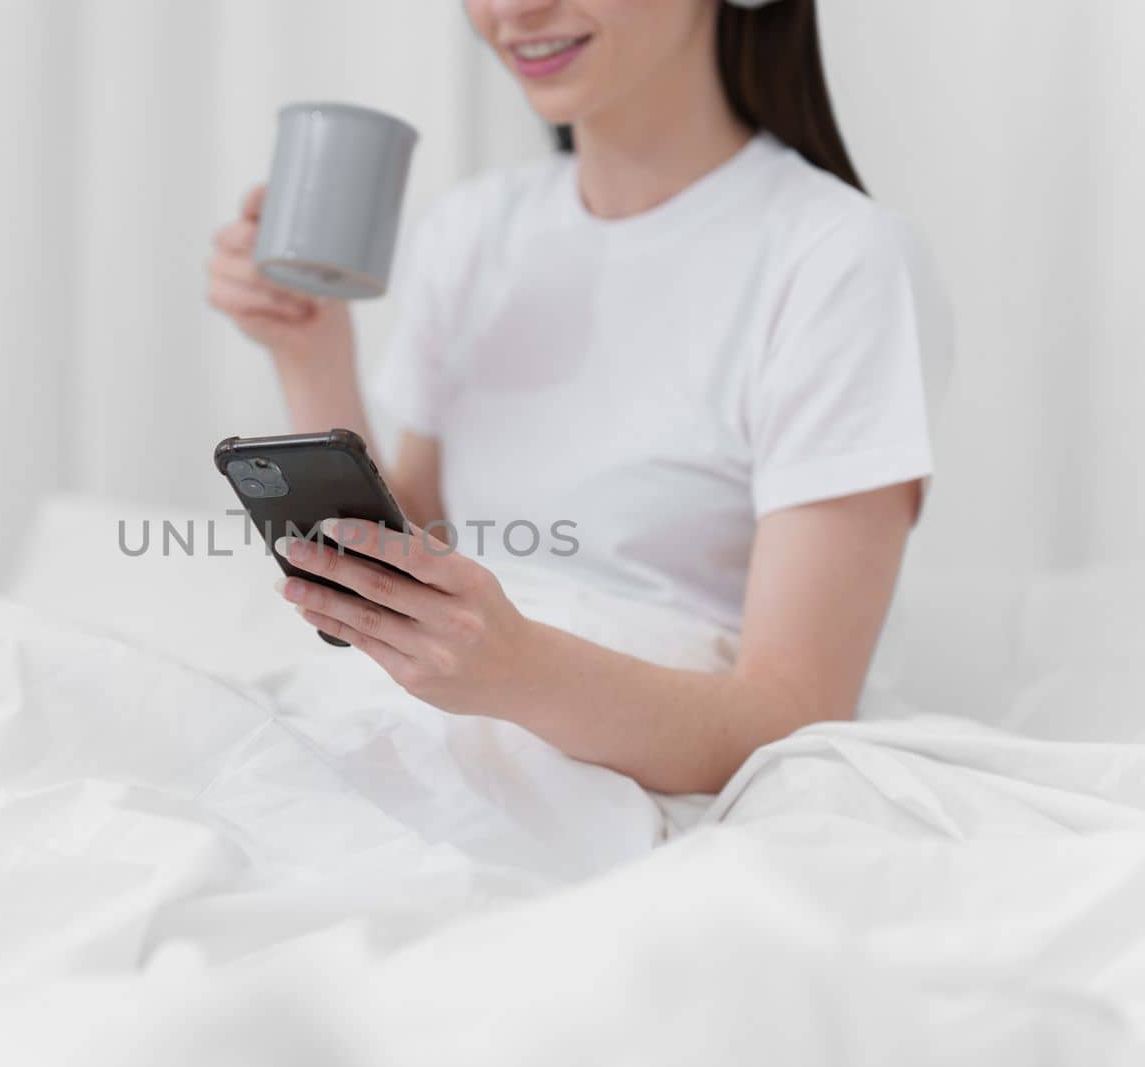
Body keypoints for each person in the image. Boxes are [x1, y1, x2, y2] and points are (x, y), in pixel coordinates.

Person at [205, 0, 939, 795]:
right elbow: (419, 549)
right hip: (414, 731)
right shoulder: (475, 229)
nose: (512, 9)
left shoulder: (834, 258)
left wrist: (518, 670)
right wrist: (310, 352)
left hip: (623, 778)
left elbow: (794, 716)